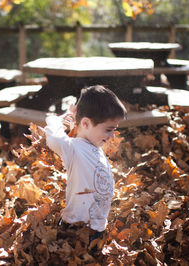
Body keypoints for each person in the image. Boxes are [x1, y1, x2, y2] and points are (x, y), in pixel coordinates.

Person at [44, 85, 127, 247]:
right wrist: (62, 118)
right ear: (86, 124)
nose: (112, 135)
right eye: (109, 129)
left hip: (96, 227)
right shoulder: (73, 148)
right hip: (77, 227)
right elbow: (54, 138)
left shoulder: (94, 147)